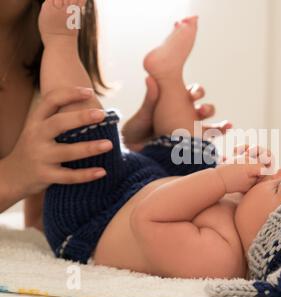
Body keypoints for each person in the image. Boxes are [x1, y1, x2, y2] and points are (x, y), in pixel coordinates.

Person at [40, 2, 281, 297]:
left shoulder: (218, 260)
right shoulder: (242, 224)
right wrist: (222, 173)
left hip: (91, 213)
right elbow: (183, 192)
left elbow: (148, 219)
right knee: (192, 149)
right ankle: (167, 76)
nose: (278, 172)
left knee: (86, 127)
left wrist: (221, 179)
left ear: (269, 243)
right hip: (143, 182)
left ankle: (60, 41)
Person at [0, 0, 229, 230]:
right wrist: (12, 176)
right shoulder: (58, 30)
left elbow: (42, 220)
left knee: (184, 156)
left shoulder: (51, 24)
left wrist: (124, 152)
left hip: (108, 203)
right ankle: (168, 78)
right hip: (106, 220)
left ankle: (168, 84)